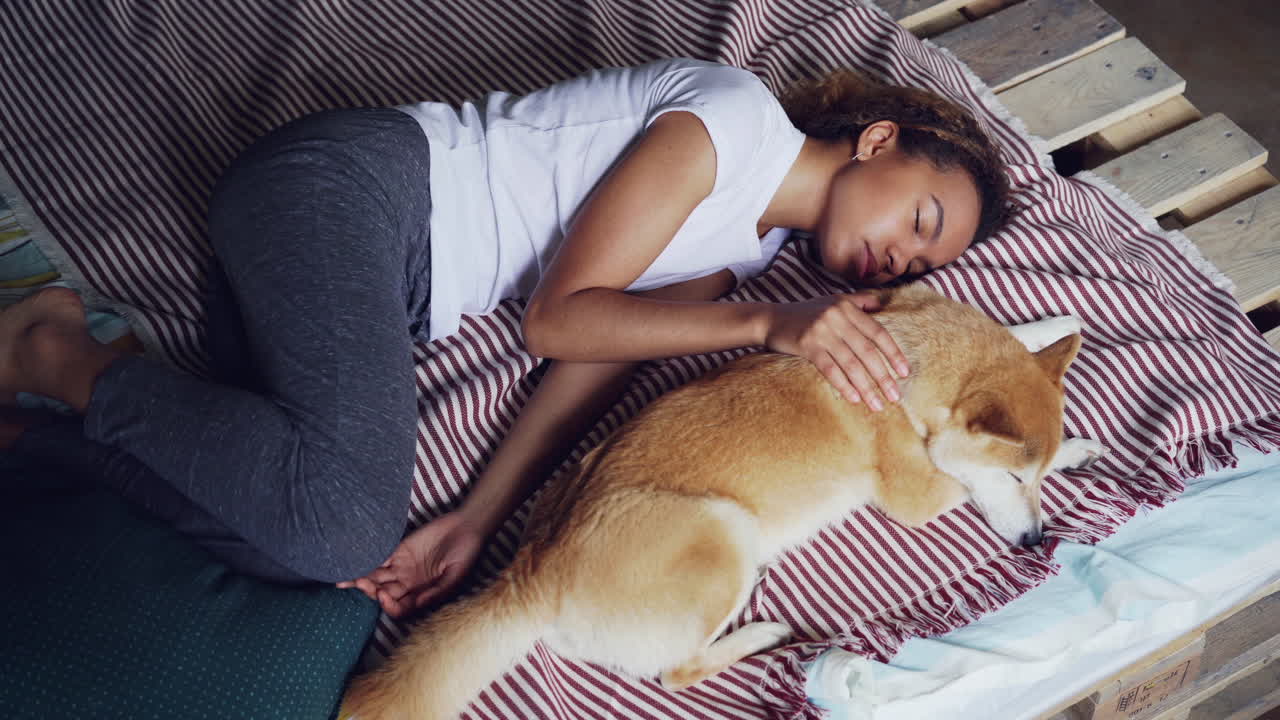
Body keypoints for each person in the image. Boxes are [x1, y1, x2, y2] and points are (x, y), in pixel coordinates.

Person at [0, 58, 1008, 618]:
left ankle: (61, 423)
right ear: (879, 143)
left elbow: (592, 357)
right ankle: (57, 355)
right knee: (344, 525)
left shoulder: (740, 264)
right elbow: (555, 314)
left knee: (299, 558)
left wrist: (480, 518)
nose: (897, 261)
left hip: (383, 289)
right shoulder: (732, 122)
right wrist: (772, 327)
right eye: (919, 220)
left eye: (921, 266)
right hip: (351, 196)